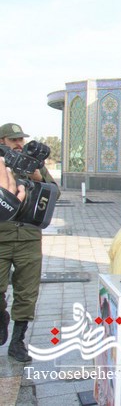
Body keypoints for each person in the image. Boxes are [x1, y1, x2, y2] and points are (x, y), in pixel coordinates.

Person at [0, 122, 58, 362]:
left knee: (27, 292)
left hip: (29, 238)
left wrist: (39, 177)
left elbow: (55, 192)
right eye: (13, 139)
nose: (18, 143)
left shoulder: (34, 164)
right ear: (2, 141)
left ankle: (17, 342)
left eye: (20, 139)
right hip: (2, 237)